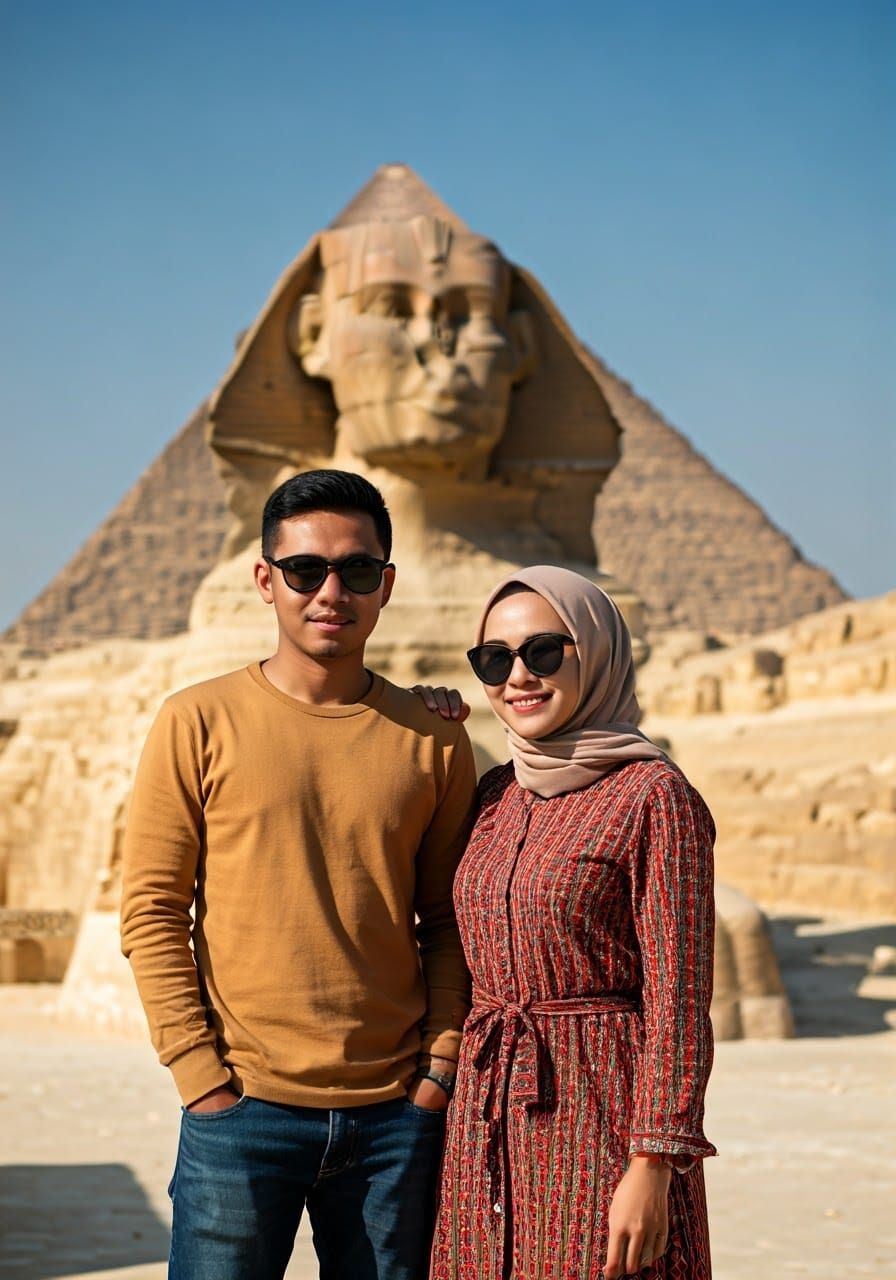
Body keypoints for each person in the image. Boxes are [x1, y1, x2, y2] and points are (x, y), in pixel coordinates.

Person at [120, 469, 477, 1280]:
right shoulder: (195, 720)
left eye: (355, 571)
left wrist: (438, 1068)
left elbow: (448, 918)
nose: (329, 592)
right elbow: (150, 910)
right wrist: (199, 1075)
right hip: (241, 1111)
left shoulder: (435, 738)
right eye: (303, 570)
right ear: (263, 579)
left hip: (395, 1117)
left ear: (385, 585)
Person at [428, 565, 716, 1280]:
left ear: (597, 651)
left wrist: (655, 1161)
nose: (518, 676)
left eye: (545, 651)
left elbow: (678, 1001)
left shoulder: (655, 796)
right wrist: (410, 724)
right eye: (494, 660)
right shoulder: (495, 792)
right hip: (481, 1118)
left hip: (601, 1115)